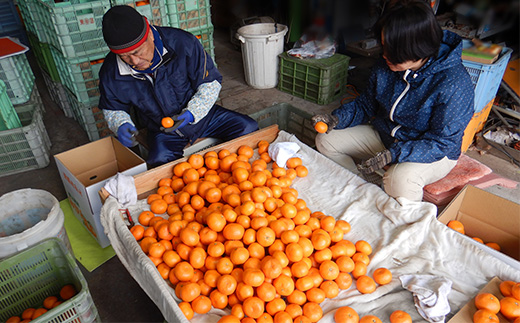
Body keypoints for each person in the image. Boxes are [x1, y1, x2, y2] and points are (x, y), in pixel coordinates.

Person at [311, 0, 474, 201]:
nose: (385, 55)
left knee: (398, 180)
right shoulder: (386, 63)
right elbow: (366, 104)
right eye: (384, 46)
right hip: (387, 137)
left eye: (394, 52)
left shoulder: (453, 84)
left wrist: (395, 154)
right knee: (326, 140)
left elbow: (441, 142)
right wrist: (337, 119)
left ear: (419, 48)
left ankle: (410, 219)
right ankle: (359, 191)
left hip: (433, 152)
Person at [98, 5, 258, 167]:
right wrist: (120, 124)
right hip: (162, 129)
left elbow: (210, 83)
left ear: (150, 35)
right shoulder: (111, 72)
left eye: (137, 52)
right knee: (159, 162)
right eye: (124, 56)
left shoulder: (182, 43)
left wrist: (192, 113)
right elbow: (113, 107)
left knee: (248, 128)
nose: (134, 61)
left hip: (203, 117)